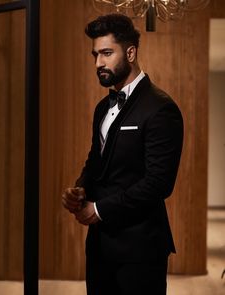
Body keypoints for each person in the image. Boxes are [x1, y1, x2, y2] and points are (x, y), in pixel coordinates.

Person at [62, 13, 183, 295]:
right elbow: (96, 161)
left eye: (106, 53)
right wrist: (80, 188)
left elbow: (159, 184)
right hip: (100, 246)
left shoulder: (161, 108)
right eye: (95, 55)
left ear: (130, 52)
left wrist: (100, 210)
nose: (98, 63)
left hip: (140, 248)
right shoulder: (102, 108)